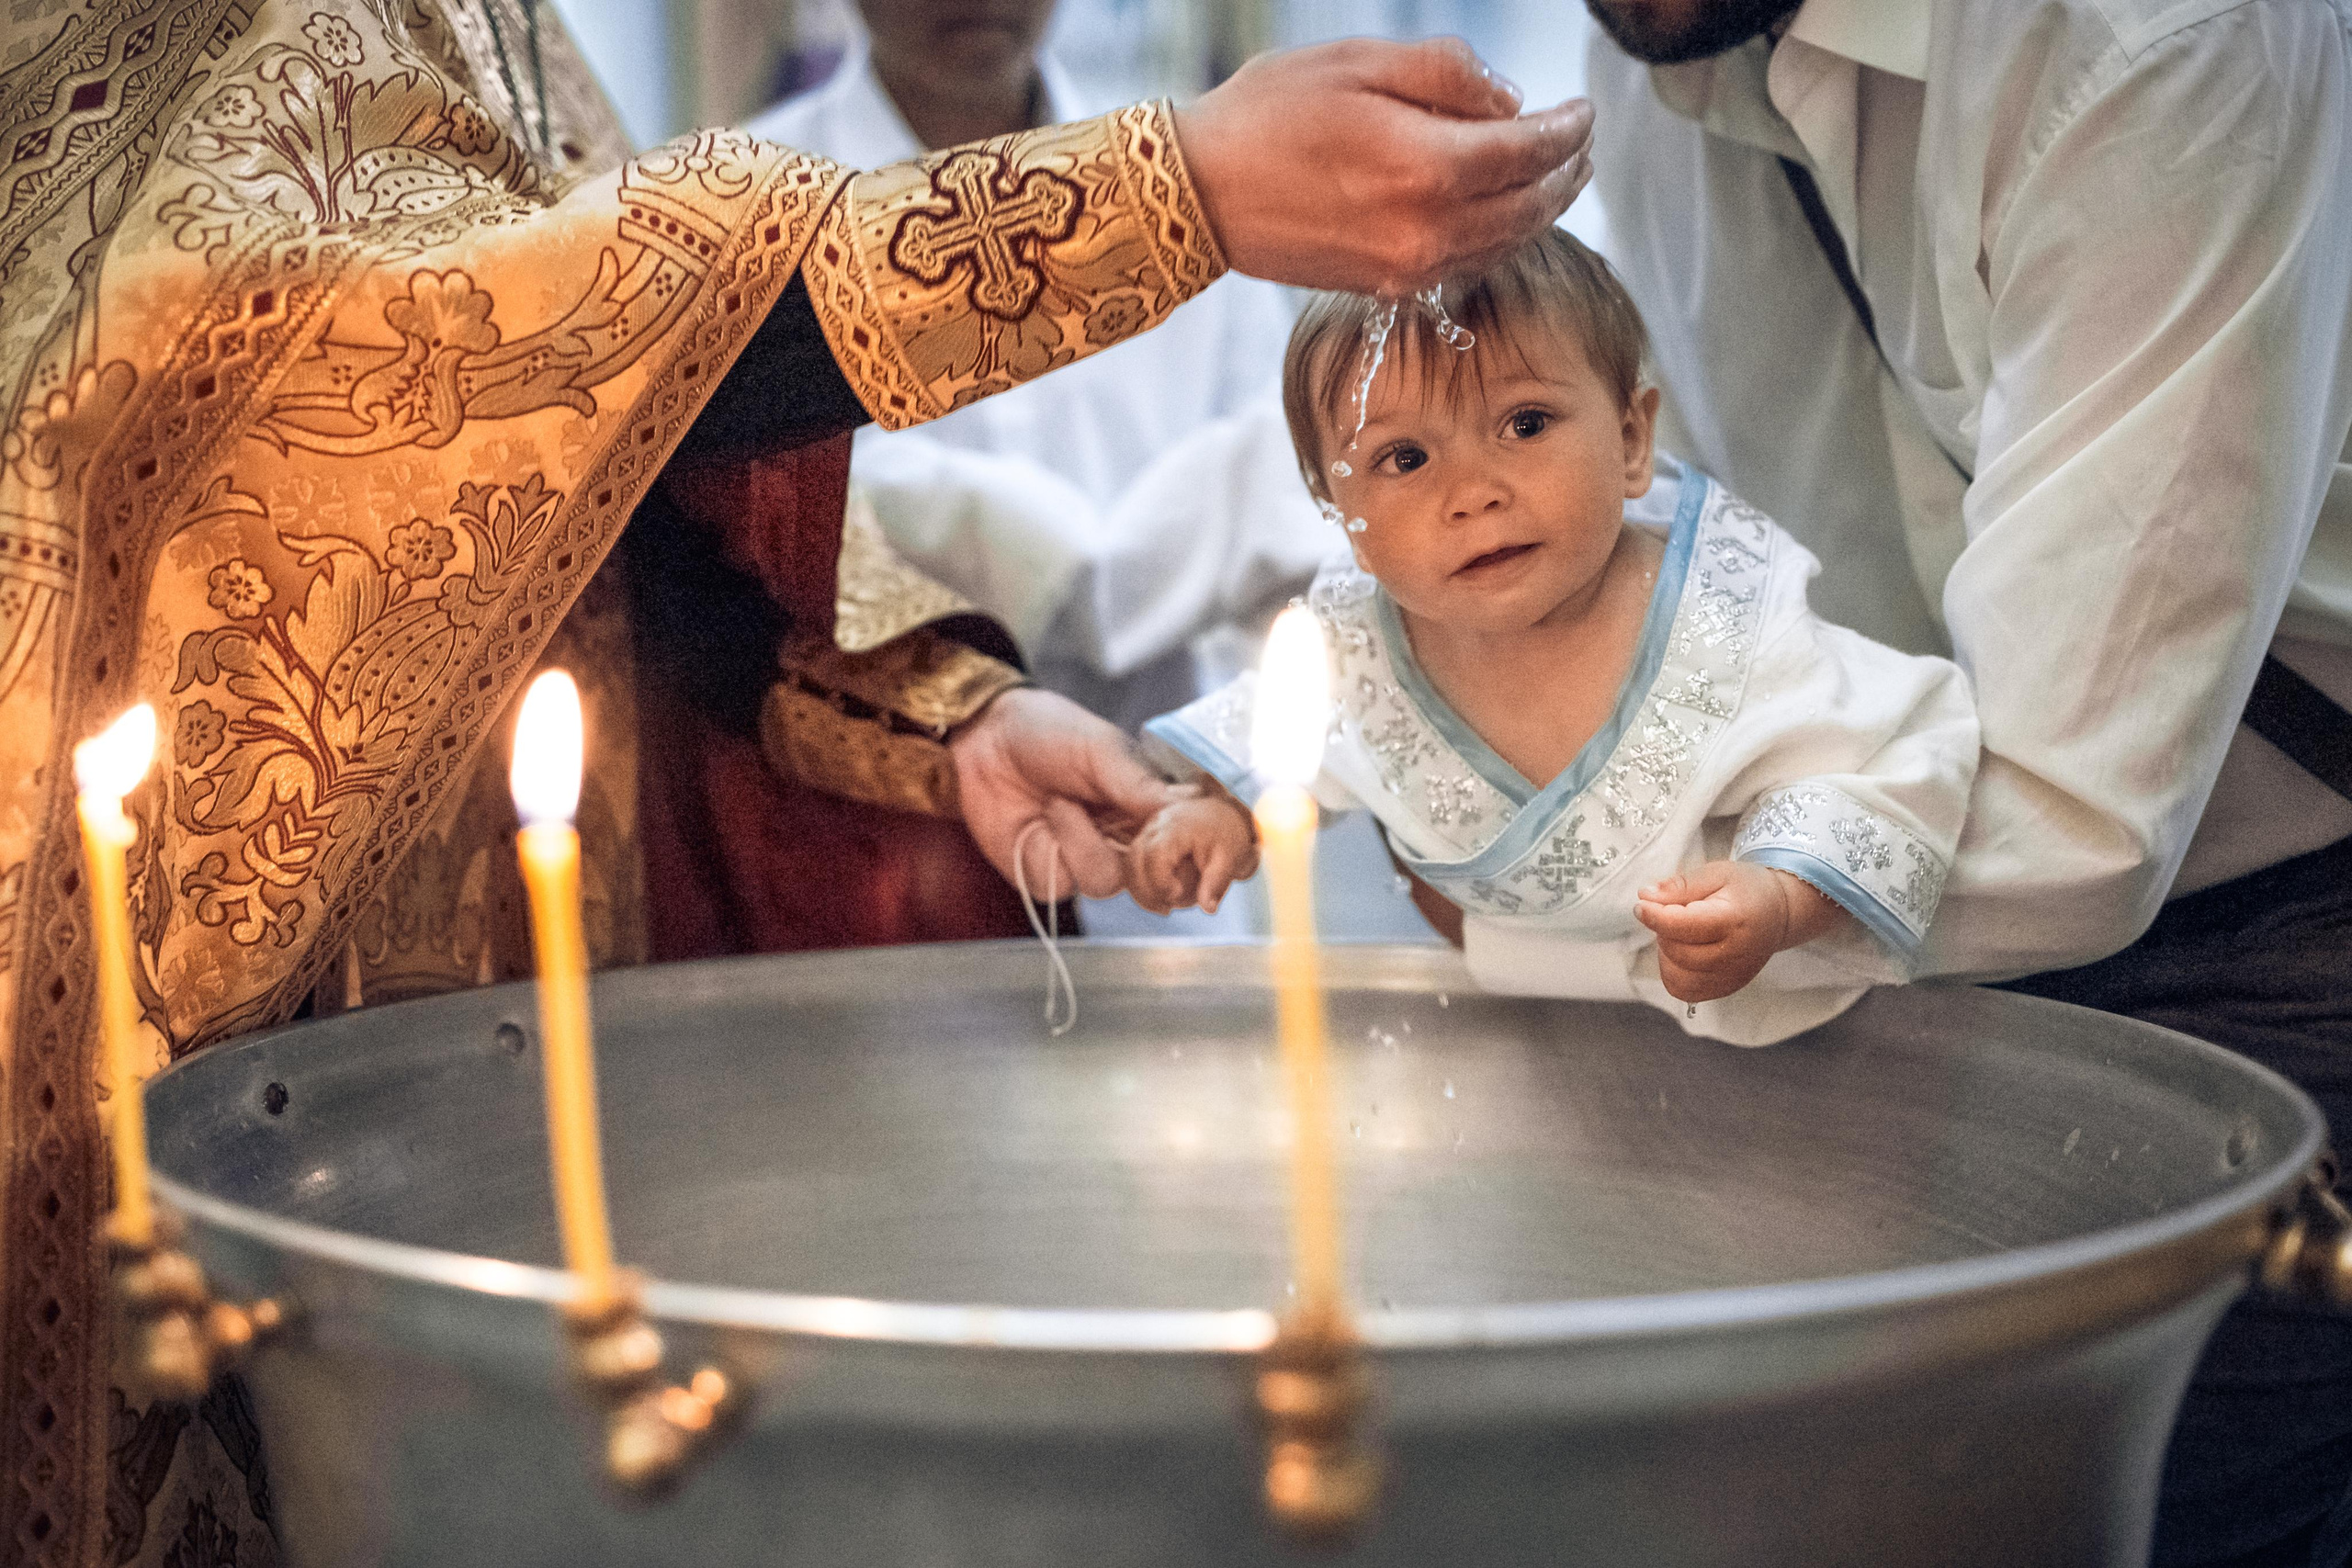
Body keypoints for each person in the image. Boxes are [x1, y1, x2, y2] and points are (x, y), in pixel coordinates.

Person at [0, 2, 1597, 1560]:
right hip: (148, 1005)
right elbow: (385, 376)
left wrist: (937, 714)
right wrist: (1151, 196)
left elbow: (610, 463)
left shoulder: (504, 34)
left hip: (504, 1002)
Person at [1579, 0, 2352, 1557]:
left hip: (2286, 927)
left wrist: (1548, 883)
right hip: (1897, 944)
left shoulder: (2165, 31)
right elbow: (1777, 586)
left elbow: (2075, 810)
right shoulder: (1651, 43)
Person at [1129, 229, 1977, 1043]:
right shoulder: (1358, 641)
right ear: (1339, 509)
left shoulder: (1723, 616)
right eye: (1406, 459)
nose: (1473, 493)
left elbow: (1902, 761)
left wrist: (1782, 898)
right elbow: (1285, 735)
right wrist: (1224, 814)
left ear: (1632, 438)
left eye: (1525, 423)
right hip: (1526, 1017)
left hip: (1775, 1013)